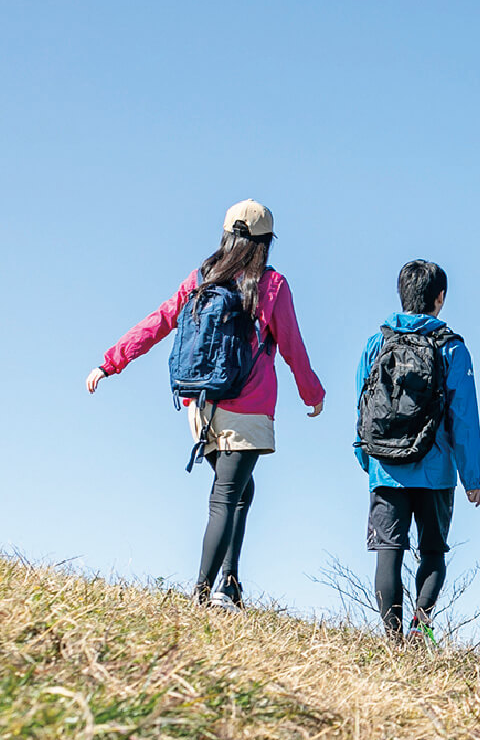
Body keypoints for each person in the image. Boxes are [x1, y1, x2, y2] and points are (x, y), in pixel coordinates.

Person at [87, 199, 326, 608]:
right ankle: (203, 594)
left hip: (201, 405)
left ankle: (229, 583)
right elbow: (292, 345)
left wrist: (111, 362)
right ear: (266, 242)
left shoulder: (201, 278)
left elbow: (160, 320)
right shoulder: (271, 285)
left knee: (239, 491)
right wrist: (313, 394)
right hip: (247, 407)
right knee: (226, 497)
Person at [354, 259, 480, 643]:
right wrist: (471, 476)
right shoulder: (453, 349)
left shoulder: (376, 343)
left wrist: (366, 455)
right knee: (432, 552)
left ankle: (392, 640)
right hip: (435, 469)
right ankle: (419, 627)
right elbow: (464, 419)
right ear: (439, 298)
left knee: (388, 551)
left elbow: (362, 405)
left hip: (386, 467)